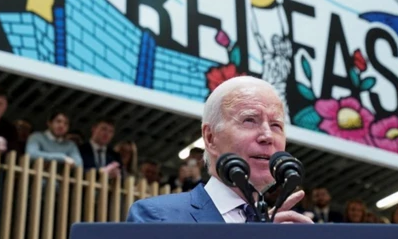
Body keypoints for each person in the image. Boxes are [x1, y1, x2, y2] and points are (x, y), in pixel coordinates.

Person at [127, 76, 312, 224]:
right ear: (210, 137)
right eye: (249, 120)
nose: (268, 136)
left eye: (276, 125)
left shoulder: (282, 232)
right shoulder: (158, 217)